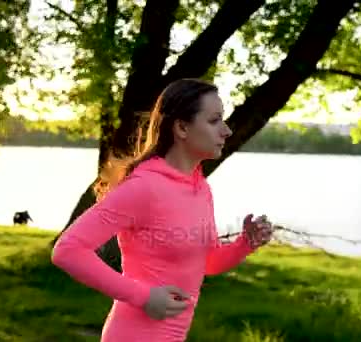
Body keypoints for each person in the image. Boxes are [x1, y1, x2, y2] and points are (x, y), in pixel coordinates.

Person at [51, 78, 274, 341]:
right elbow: (67, 250)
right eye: (214, 121)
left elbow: (207, 263)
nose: (226, 130)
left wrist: (245, 243)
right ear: (181, 127)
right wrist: (143, 296)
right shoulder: (144, 187)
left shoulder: (200, 189)